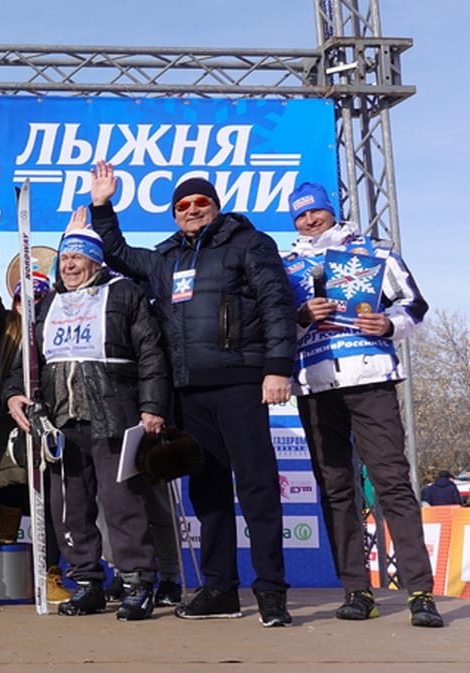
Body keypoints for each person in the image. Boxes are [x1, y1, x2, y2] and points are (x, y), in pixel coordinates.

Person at [88, 161, 297, 627]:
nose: (192, 210)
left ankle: (271, 591)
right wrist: (102, 206)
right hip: (189, 391)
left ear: (216, 206)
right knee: (207, 493)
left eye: (201, 202)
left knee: (258, 488)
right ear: (174, 213)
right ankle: (220, 589)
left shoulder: (250, 244)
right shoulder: (165, 258)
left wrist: (278, 368)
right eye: (182, 205)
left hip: (242, 383)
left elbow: (277, 304)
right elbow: (117, 252)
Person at [281, 182, 443, 627]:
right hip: (316, 384)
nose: (310, 220)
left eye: (316, 211)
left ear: (330, 210)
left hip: (370, 379)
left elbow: (415, 304)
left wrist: (388, 324)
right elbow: (274, 326)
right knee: (336, 489)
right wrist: (301, 318)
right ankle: (356, 590)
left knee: (393, 484)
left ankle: (420, 593)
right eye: (301, 215)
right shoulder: (286, 266)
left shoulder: (374, 252)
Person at [2, 217, 170, 621]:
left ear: (96, 261)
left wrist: (152, 406)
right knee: (69, 506)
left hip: (112, 412)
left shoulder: (123, 293)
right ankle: (87, 581)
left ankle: (137, 581)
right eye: (65, 258)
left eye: (78, 257)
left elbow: (150, 352)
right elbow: (27, 359)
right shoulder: (48, 303)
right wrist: (14, 392)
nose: (69, 265)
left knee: (121, 502)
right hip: (61, 418)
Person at [0, 209, 69, 603]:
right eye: (23, 297)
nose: (30, 303)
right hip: (8, 421)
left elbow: (70, 281)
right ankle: (6, 566)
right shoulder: (4, 328)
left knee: (52, 501)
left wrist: (70, 243)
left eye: (39, 297)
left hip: (51, 418)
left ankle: (51, 574)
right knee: (9, 490)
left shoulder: (59, 326)